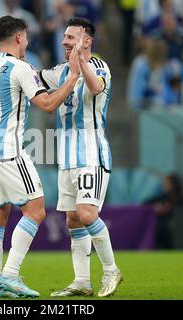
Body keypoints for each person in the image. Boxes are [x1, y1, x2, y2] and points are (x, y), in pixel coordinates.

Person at [0, 15, 81, 299]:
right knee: (35, 210)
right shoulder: (20, 67)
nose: (28, 41)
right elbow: (46, 104)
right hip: (7, 148)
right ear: (19, 37)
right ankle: (10, 275)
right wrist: (72, 77)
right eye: (27, 36)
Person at [39, 17, 122, 298]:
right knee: (73, 219)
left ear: (87, 41)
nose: (64, 42)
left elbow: (96, 88)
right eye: (64, 37)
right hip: (66, 159)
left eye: (71, 38)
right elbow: (33, 77)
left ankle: (111, 270)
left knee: (87, 214)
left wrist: (80, 64)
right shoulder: (59, 72)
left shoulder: (100, 67)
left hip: (91, 155)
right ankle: (82, 281)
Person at [144, 173, 183, 249]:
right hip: (163, 228)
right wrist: (157, 207)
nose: (164, 185)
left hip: (177, 228)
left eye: (166, 183)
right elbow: (146, 202)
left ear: (173, 184)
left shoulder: (181, 198)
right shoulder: (163, 197)